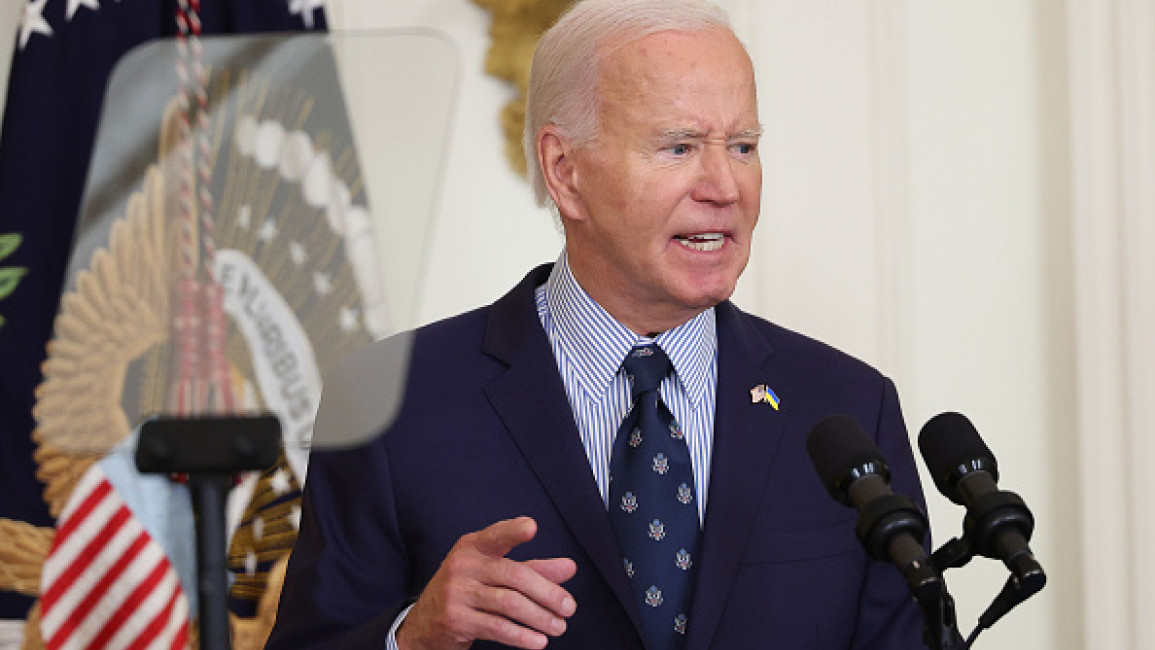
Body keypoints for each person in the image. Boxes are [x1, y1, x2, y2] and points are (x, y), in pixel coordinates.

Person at [266, 0, 928, 648]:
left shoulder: (846, 409)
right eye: (679, 147)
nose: (725, 186)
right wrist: (410, 639)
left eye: (743, 146)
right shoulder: (392, 401)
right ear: (565, 170)